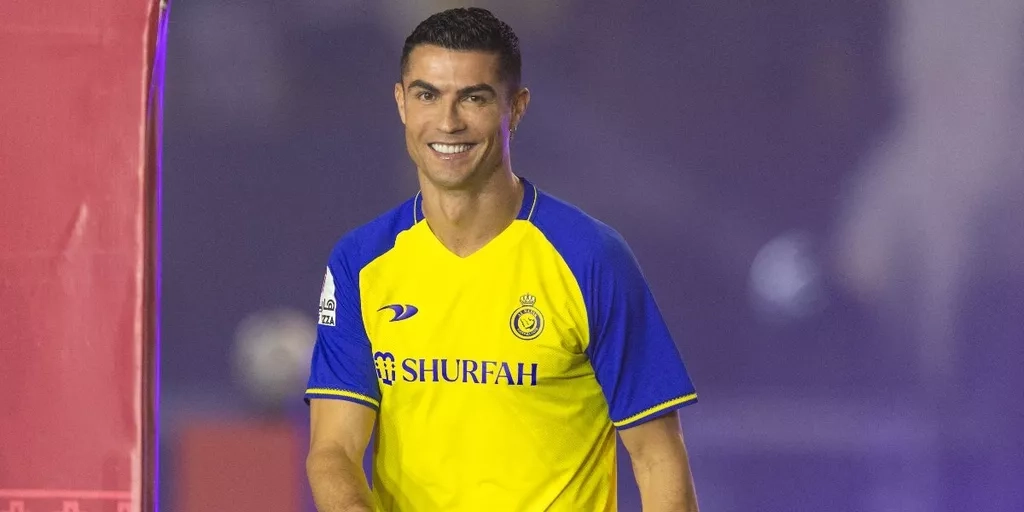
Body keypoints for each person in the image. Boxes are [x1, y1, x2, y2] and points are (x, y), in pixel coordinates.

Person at [304, 7, 700, 511]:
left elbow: (657, 457)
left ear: (516, 107)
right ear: (401, 102)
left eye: (474, 98)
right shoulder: (360, 261)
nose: (448, 121)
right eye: (427, 95)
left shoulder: (590, 257)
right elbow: (334, 449)